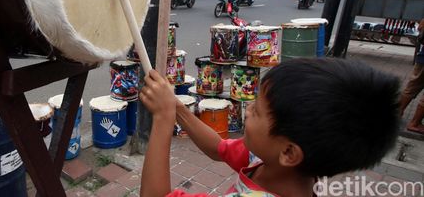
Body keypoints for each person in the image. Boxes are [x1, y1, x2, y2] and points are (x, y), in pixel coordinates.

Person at [139, 58, 400, 197]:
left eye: (258, 111)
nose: (248, 110)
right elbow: (217, 148)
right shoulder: (275, 161)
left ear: (289, 152)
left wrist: (163, 118)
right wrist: (178, 109)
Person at [398, 18, 424, 135]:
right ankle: (415, 123)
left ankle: (397, 114)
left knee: (412, 86)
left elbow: (420, 28)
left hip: (422, 57)